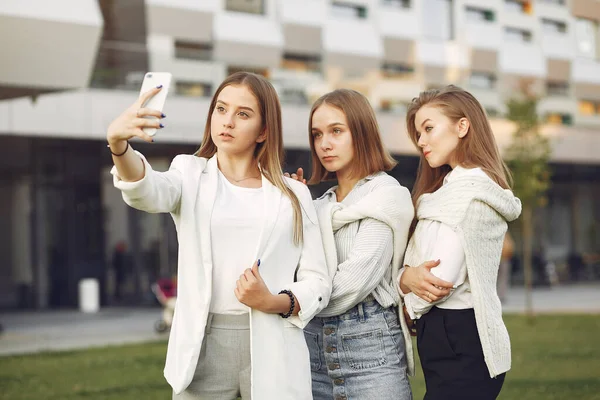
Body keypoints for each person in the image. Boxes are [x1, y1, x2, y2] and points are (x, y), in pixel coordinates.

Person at [107, 71, 332, 399]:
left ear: (264, 130)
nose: (227, 121)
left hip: (271, 341)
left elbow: (318, 280)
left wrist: (272, 301)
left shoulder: (294, 193)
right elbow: (146, 190)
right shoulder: (188, 173)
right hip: (204, 345)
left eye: (243, 114)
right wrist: (118, 144)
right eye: (221, 109)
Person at [398, 85, 522, 399]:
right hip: (443, 337)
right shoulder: (445, 191)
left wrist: (405, 297)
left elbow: (438, 282)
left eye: (428, 129)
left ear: (462, 126)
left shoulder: (471, 193)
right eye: (418, 133)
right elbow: (415, 274)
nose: (421, 141)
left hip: (461, 339)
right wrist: (406, 278)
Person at [289, 89, 415, 399]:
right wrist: (291, 207)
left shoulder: (386, 196)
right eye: (317, 135)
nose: (325, 144)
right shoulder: (317, 206)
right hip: (311, 351)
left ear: (361, 131)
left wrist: (289, 302)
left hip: (370, 352)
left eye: (336, 131)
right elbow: (286, 265)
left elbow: (351, 284)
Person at [497, 231, 515, 302]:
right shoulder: (505, 234)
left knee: (502, 278)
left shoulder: (504, 234)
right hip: (502, 258)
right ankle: (500, 295)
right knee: (502, 278)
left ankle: (501, 295)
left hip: (503, 258)